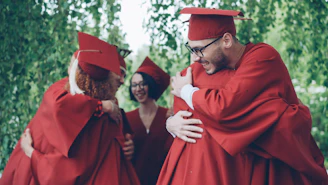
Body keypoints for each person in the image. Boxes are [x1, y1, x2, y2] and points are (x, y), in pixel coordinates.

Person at [157, 7, 328, 185]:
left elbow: (224, 107)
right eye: (191, 49)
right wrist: (171, 123)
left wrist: (186, 92)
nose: (194, 59)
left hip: (279, 163)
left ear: (227, 40)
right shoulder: (213, 70)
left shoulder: (263, 57)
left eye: (199, 50)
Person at [0, 32, 140, 185]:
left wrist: (128, 146)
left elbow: (85, 161)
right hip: (31, 169)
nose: (121, 80)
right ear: (103, 74)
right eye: (119, 73)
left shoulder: (110, 107)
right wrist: (31, 153)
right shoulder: (62, 94)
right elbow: (68, 169)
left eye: (124, 75)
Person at [126, 56, 173, 185]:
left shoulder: (168, 116)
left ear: (151, 84)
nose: (138, 89)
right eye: (134, 85)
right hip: (134, 181)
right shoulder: (127, 118)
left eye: (143, 84)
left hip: (164, 180)